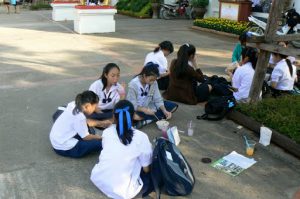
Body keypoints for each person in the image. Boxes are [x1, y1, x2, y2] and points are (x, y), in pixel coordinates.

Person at [90, 100, 153, 199]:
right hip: (122, 191)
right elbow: (146, 168)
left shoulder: (107, 132)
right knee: (147, 171)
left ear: (114, 117)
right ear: (134, 116)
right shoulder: (142, 137)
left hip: (99, 179)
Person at [49, 91, 102, 158]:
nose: (95, 109)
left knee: (90, 131)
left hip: (56, 139)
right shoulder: (80, 117)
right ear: (88, 106)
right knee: (98, 143)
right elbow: (86, 137)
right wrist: (100, 137)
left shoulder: (74, 104)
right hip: (62, 147)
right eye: (94, 107)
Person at [126, 62, 178, 128]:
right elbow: (131, 104)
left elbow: (158, 99)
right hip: (137, 109)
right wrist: (144, 110)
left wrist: (164, 111)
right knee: (134, 116)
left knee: (172, 106)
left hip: (149, 106)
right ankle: (151, 118)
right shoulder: (133, 84)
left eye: (154, 80)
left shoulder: (154, 82)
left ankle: (147, 120)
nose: (153, 82)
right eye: (151, 80)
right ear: (144, 76)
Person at [88, 63, 125, 128]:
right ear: (106, 75)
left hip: (110, 112)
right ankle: (107, 123)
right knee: (85, 114)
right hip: (96, 111)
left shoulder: (118, 87)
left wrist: (122, 94)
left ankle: (101, 123)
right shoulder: (96, 85)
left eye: (118, 75)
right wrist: (102, 114)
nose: (116, 78)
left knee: (123, 112)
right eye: (113, 76)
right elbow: (91, 103)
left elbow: (118, 106)